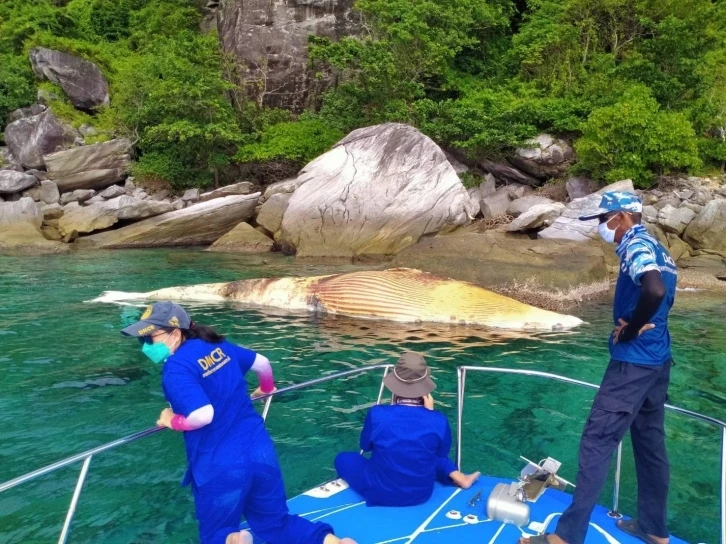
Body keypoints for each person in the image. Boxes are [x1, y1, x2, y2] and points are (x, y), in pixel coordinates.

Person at [121, 301, 357, 544]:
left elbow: (203, 415)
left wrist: (173, 420)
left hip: (220, 464)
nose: (146, 346)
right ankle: (336, 542)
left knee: (217, 534)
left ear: (176, 333)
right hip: (259, 449)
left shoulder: (176, 367)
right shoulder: (217, 344)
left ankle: (236, 540)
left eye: (150, 338)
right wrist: (265, 389)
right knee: (276, 524)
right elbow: (263, 363)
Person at [520, 192, 677, 544]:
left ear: (622, 217)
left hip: (633, 365)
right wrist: (645, 323)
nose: (601, 228)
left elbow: (653, 289)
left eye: (603, 219)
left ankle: (567, 536)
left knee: (596, 442)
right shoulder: (661, 249)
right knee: (651, 445)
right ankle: (654, 529)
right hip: (658, 362)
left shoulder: (636, 245)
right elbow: (663, 296)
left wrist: (633, 327)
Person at [334, 352, 480, 507]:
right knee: (426, 452)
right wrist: (429, 414)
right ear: (425, 390)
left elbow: (365, 446)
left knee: (343, 458)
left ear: (395, 384)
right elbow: (440, 454)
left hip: (379, 492)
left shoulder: (377, 414)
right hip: (421, 494)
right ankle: (459, 477)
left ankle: (458, 477)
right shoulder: (439, 419)